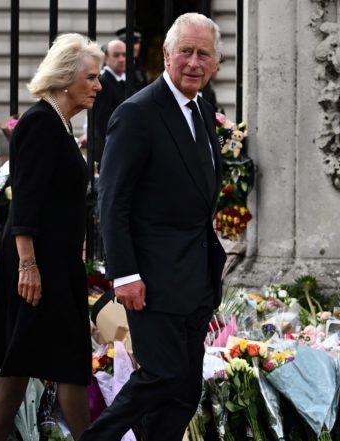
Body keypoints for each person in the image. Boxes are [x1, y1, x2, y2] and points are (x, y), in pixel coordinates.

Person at [79, 13, 226, 441]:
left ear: (215, 63)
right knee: (161, 375)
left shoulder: (203, 110)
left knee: (184, 389)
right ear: (166, 54)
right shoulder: (137, 112)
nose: (194, 62)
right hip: (151, 280)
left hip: (196, 280)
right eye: (186, 51)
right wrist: (124, 273)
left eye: (204, 54)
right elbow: (113, 201)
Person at [0, 33, 102, 440]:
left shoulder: (58, 125)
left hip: (55, 263)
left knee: (39, 362)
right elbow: (25, 200)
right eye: (91, 78)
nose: (98, 86)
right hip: (37, 264)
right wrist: (28, 265)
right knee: (50, 362)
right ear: (64, 79)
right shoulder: (40, 123)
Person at [91, 39, 128, 166]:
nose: (122, 59)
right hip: (109, 150)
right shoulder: (103, 82)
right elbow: (102, 122)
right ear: (106, 58)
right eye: (116, 55)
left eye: (124, 54)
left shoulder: (127, 80)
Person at [116, 26, 150, 90]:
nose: (134, 47)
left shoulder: (140, 67)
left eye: (136, 42)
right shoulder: (115, 66)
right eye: (128, 42)